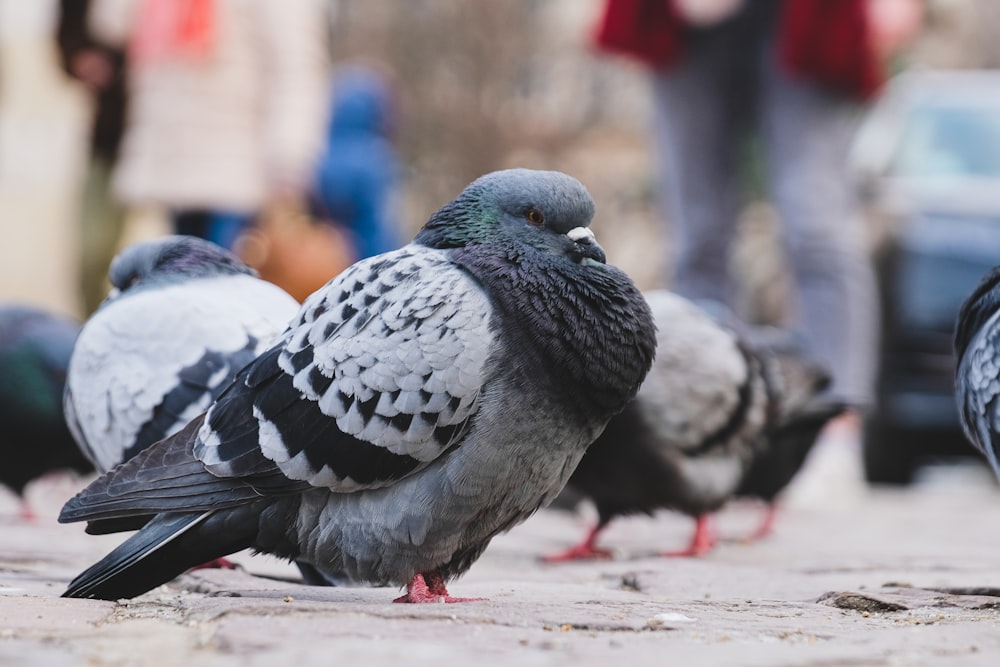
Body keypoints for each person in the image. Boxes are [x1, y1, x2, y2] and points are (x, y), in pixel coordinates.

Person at [593, 0, 922, 505]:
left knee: (816, 225)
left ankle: (833, 436)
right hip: (689, 21)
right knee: (696, 233)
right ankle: (705, 428)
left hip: (813, 13)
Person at [87, 0, 330, 250]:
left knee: (224, 275)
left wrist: (289, 158)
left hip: (243, 174)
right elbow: (111, 25)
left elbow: (295, 71)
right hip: (176, 171)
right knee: (186, 276)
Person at [56, 0, 128, 315]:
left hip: (183, 139)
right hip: (111, 137)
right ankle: (95, 327)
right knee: (93, 254)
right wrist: (80, 57)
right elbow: (69, 30)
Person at [310, 65, 404, 260]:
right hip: (364, 260)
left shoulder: (315, 150)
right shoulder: (375, 157)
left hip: (317, 261)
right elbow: (379, 225)